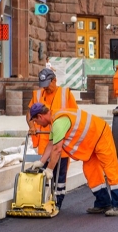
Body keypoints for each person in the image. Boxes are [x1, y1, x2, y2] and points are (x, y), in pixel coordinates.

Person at [28, 103, 118, 216]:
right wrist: (41, 162)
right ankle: (103, 203)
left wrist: (49, 169)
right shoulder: (55, 119)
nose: (37, 124)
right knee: (91, 171)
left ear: (40, 116)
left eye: (36, 121)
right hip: (91, 141)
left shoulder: (59, 123)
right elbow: (51, 144)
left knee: (110, 168)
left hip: (100, 135)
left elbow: (57, 149)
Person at [25, 68, 78, 209]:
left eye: (48, 84)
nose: (45, 88)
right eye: (43, 84)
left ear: (54, 80)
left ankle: (58, 201)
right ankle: (42, 199)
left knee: (59, 174)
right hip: (45, 143)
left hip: (61, 142)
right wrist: (32, 126)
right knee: (45, 172)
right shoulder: (38, 95)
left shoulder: (65, 94)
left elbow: (74, 115)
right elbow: (29, 113)